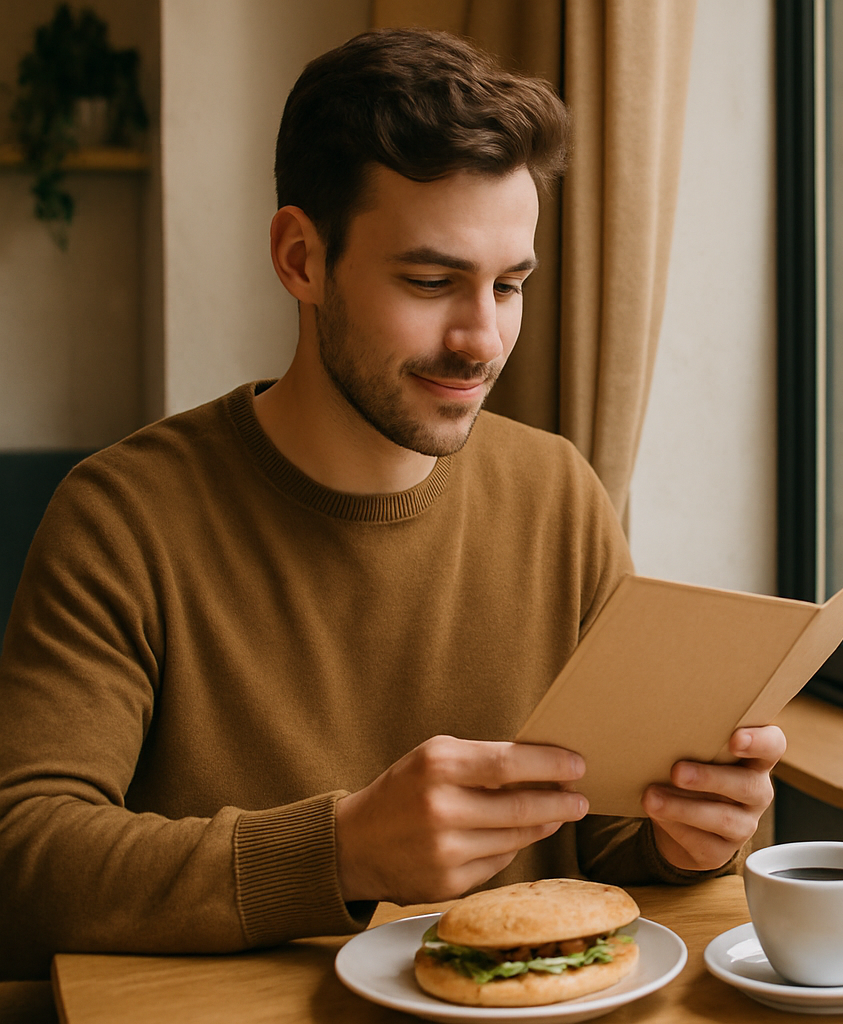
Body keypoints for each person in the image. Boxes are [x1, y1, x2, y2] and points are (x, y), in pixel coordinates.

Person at [0, 30, 782, 981]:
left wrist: (689, 836)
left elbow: (609, 841)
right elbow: (25, 864)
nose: (483, 340)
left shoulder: (558, 495)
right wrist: (339, 850)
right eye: (430, 281)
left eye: (509, 285)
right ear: (300, 256)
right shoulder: (122, 518)